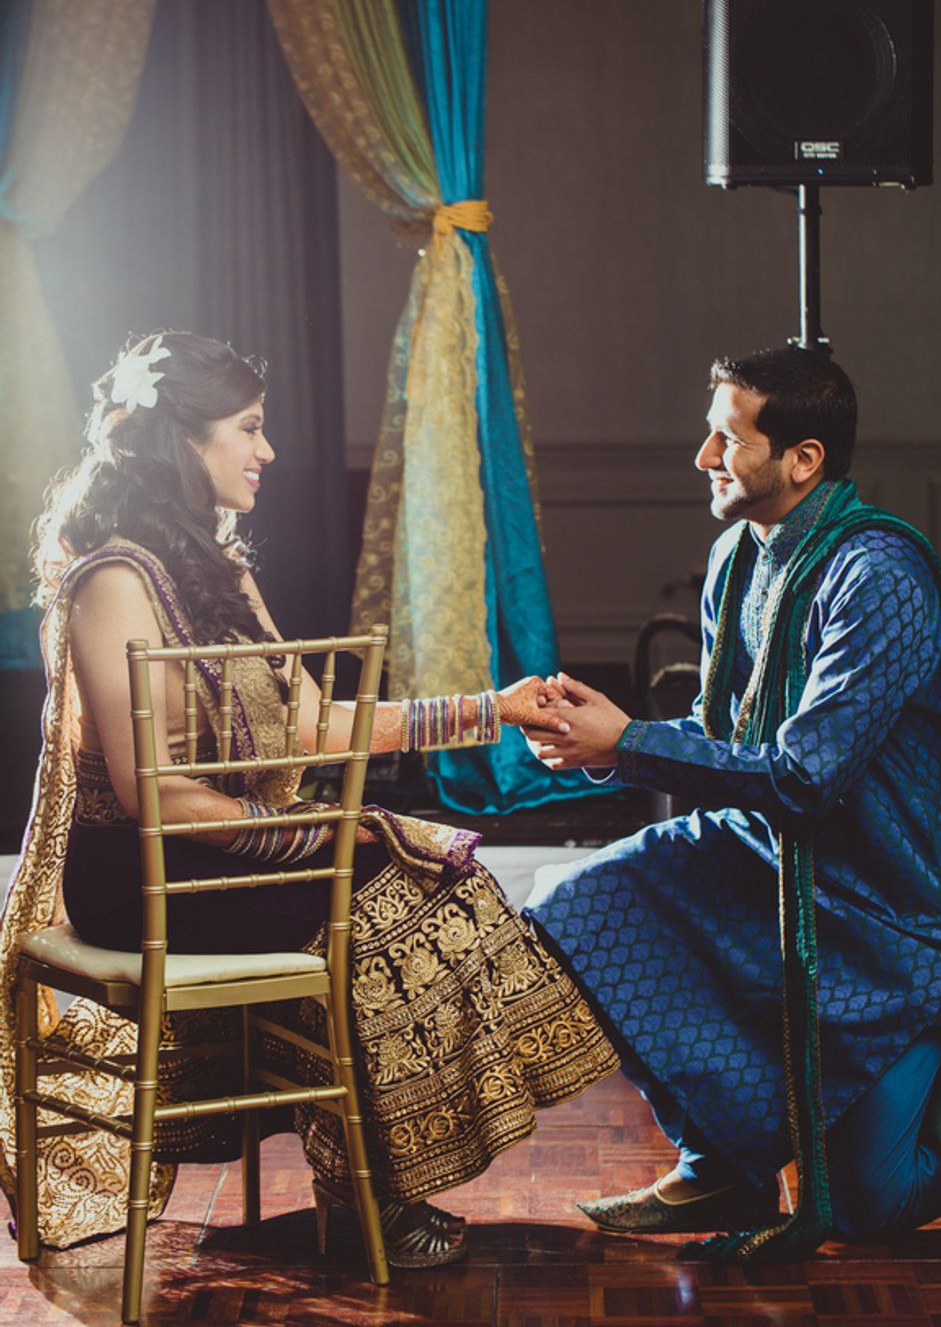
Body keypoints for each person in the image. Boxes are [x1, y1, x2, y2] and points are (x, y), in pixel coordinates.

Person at [0, 331, 617, 1267]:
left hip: (216, 852)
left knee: (433, 878)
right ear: (183, 438)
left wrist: (493, 709)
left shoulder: (220, 570)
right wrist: (316, 839)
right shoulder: (114, 580)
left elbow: (314, 724)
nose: (268, 450)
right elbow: (151, 797)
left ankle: (364, 1186)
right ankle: (366, 1198)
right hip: (140, 873)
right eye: (248, 428)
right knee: (392, 893)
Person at [525, 346, 941, 1253]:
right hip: (770, 856)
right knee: (576, 902)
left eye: (728, 440)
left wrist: (629, 740)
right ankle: (723, 1170)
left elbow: (806, 775)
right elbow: (719, 735)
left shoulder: (878, 575)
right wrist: (600, 743)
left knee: (868, 1205)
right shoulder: (739, 554)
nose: (704, 457)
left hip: (890, 917)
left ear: (803, 460)